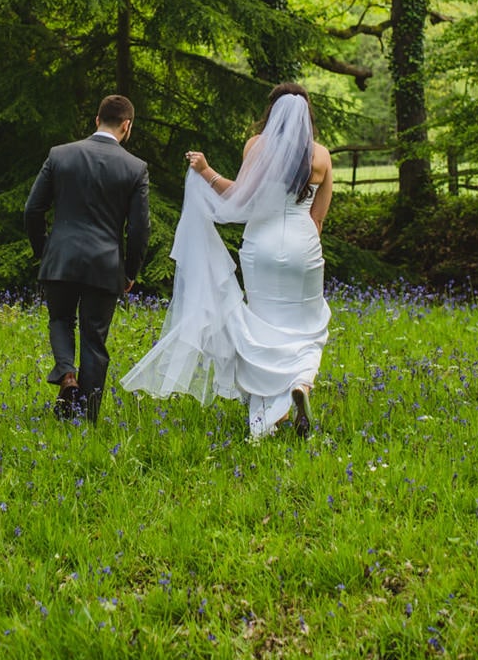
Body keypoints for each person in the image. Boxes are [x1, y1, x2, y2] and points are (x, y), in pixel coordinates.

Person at [120, 83, 334, 438]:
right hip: (303, 245)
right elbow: (318, 219)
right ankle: (300, 383)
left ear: (273, 113)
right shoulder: (321, 156)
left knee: (263, 323)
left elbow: (239, 197)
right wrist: (305, 250)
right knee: (310, 322)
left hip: (260, 246)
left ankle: (268, 410)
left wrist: (206, 171)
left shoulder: (257, 146)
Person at [24, 94, 151, 422]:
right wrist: (131, 271)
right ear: (127, 126)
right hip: (105, 265)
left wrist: (45, 252)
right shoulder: (135, 168)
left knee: (60, 320)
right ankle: (86, 418)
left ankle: (67, 374)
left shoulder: (60, 155)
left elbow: (32, 209)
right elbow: (139, 229)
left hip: (61, 260)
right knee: (95, 339)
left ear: (96, 120)